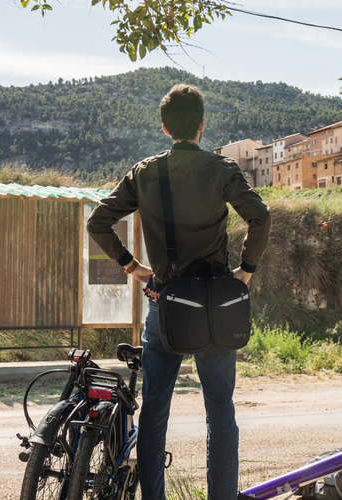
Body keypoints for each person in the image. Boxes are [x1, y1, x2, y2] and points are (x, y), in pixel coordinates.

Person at [86, 83, 271, 500]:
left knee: (154, 412)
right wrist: (247, 270)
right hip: (215, 307)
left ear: (165, 128)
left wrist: (133, 267)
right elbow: (261, 217)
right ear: (203, 125)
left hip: (166, 304)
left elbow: (98, 223)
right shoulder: (222, 169)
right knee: (220, 412)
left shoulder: (145, 172)